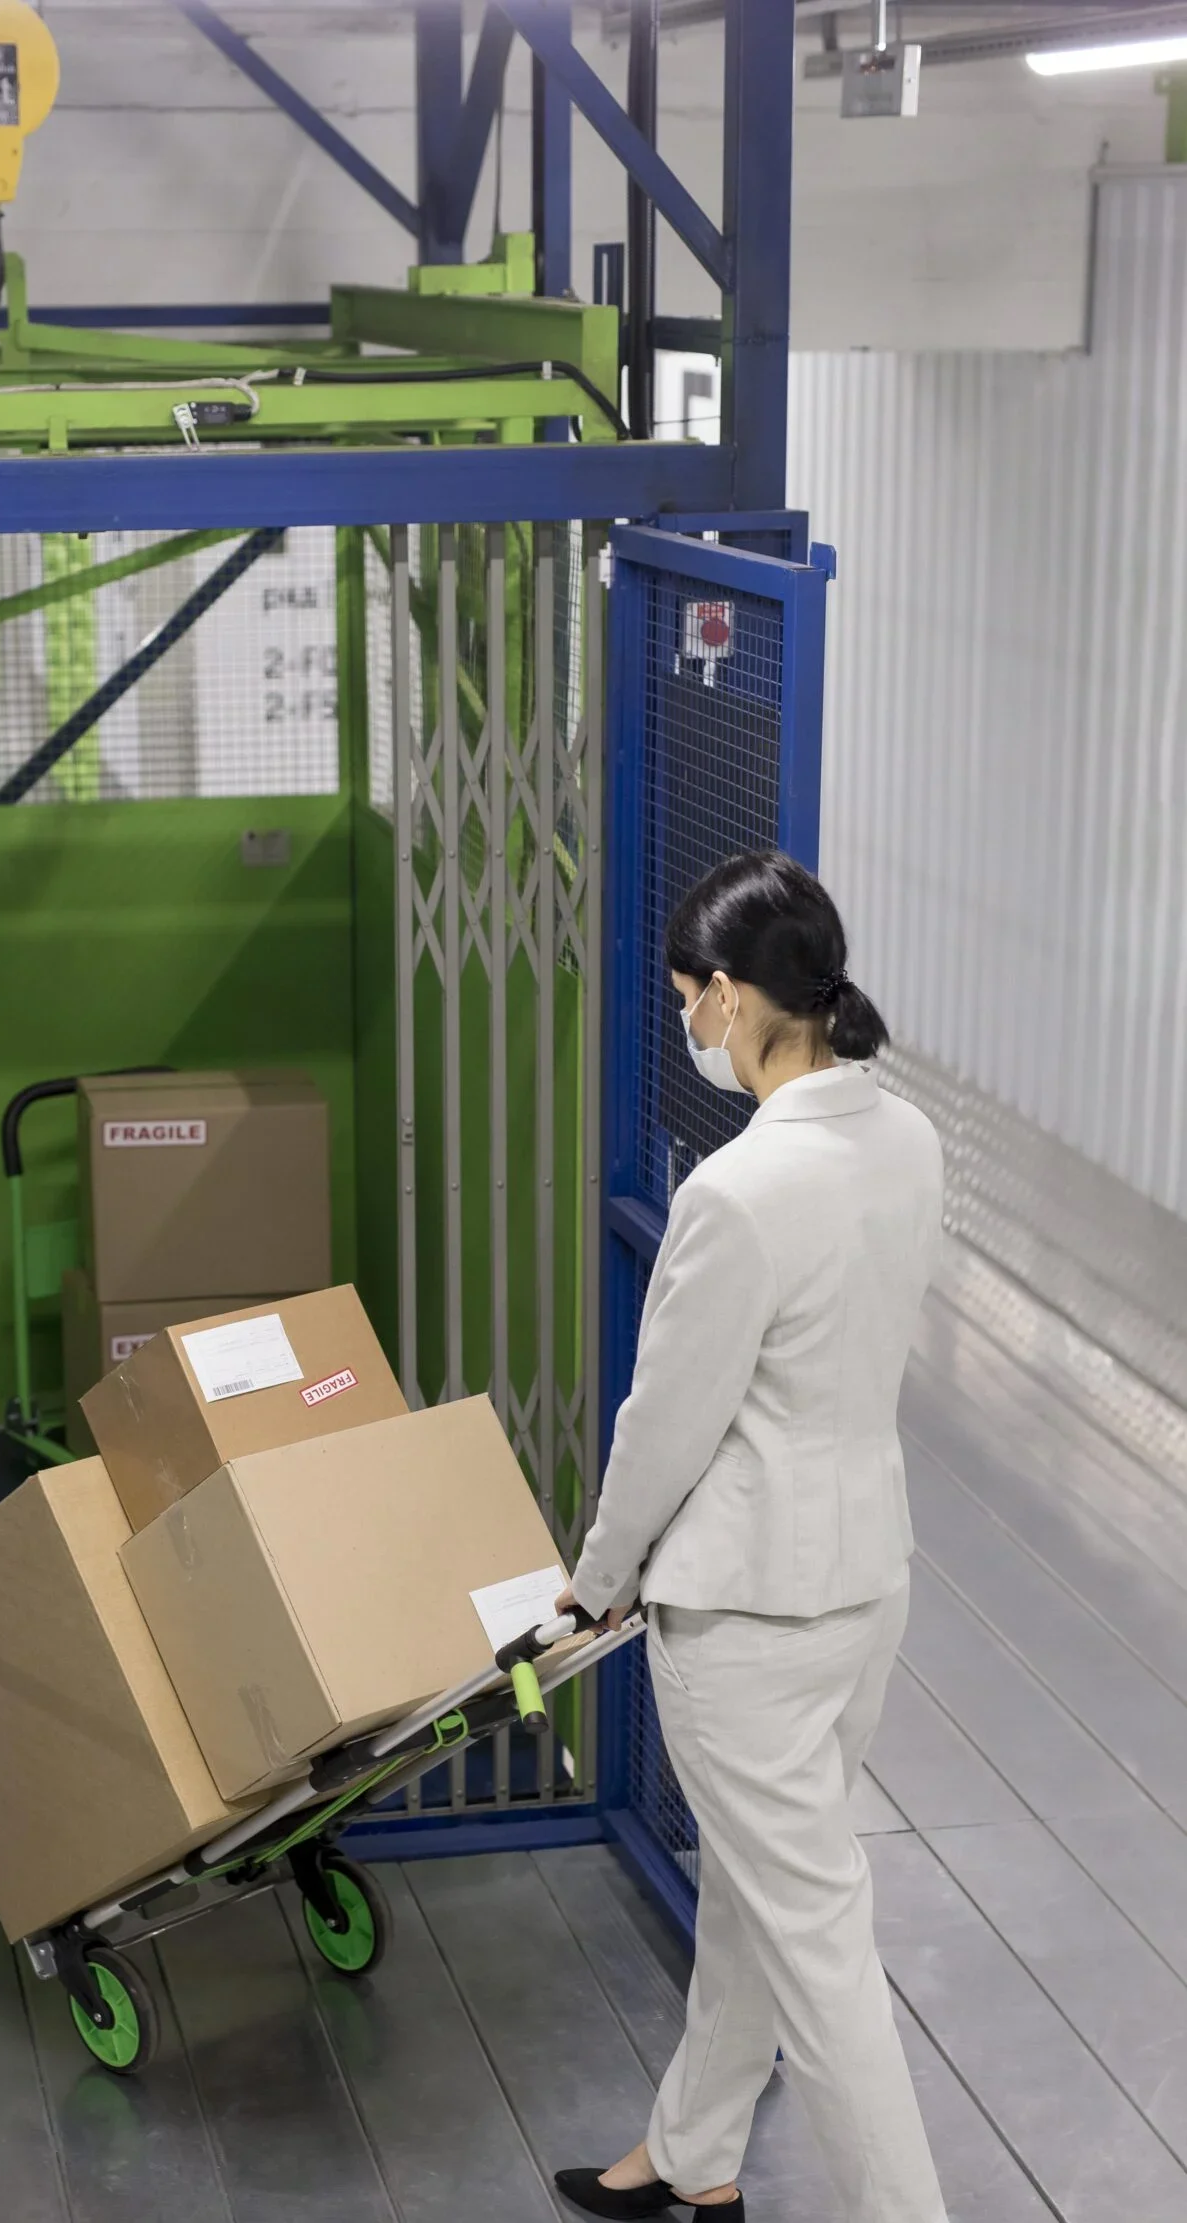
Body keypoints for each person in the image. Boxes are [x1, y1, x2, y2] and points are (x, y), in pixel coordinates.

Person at [553, 850, 947, 2223]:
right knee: (759, 1889)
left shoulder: (735, 1194)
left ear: (728, 997)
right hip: (860, 1585)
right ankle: (692, 2149)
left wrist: (591, 1584)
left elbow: (664, 1425)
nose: (684, 1025)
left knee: (816, 1941)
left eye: (684, 1000)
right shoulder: (906, 1137)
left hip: (743, 1621)